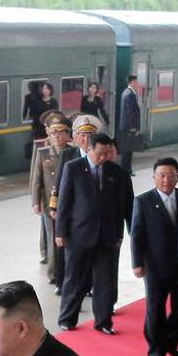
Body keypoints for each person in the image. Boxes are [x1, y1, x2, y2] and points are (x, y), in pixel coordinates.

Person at [55, 128, 132, 333]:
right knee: (75, 279)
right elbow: (64, 203)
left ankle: (104, 321)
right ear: (89, 149)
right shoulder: (73, 168)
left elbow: (127, 207)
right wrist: (60, 232)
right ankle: (67, 318)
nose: (104, 157)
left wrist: (126, 235)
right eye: (100, 153)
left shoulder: (119, 174)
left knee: (105, 281)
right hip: (79, 235)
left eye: (108, 153)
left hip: (108, 237)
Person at [129, 156, 178, 356]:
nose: (166, 180)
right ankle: (156, 349)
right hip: (155, 266)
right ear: (154, 177)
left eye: (171, 175)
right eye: (162, 175)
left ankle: (171, 342)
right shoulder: (143, 201)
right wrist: (137, 263)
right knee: (155, 309)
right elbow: (137, 234)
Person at [31, 114, 75, 289]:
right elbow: (37, 179)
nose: (57, 137)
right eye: (53, 133)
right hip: (50, 203)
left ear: (67, 134)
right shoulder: (43, 154)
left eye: (61, 133)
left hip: (69, 203)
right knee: (52, 239)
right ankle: (54, 273)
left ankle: (67, 272)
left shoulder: (73, 153)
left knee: (67, 239)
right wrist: (36, 201)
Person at [117, 75, 146, 175]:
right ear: (131, 82)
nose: (138, 83)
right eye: (136, 81)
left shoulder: (127, 92)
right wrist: (133, 127)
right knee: (127, 150)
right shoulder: (129, 94)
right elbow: (130, 112)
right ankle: (126, 170)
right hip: (128, 126)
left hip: (126, 126)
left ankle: (127, 169)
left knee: (128, 149)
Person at [21, 81, 57, 160]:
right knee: (38, 147)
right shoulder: (36, 101)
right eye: (43, 88)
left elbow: (54, 115)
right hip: (38, 127)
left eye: (47, 89)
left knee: (49, 147)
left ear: (50, 90)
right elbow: (33, 113)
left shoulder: (54, 102)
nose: (45, 90)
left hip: (49, 128)